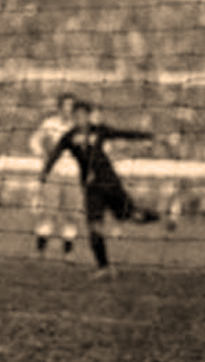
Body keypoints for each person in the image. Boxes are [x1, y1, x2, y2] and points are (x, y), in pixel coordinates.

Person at [39, 101, 161, 280]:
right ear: (74, 117)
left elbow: (122, 133)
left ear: (89, 116)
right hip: (91, 188)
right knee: (94, 226)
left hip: (111, 183)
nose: (80, 118)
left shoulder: (99, 130)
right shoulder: (69, 136)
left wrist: (146, 136)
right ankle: (104, 267)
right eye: (77, 115)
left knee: (133, 216)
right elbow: (55, 153)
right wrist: (45, 172)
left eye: (83, 115)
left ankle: (157, 216)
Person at [29, 93, 80, 262]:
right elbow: (34, 141)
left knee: (71, 215)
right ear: (59, 107)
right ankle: (40, 250)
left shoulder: (79, 126)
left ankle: (69, 253)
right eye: (65, 106)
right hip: (53, 173)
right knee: (48, 213)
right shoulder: (50, 124)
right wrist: (43, 154)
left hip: (74, 174)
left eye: (71, 106)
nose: (68, 110)